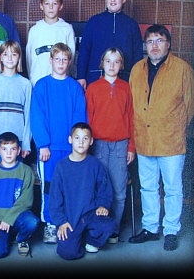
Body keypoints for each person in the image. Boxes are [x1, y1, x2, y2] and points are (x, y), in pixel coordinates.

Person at [128, 24, 194, 251]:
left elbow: (193, 102)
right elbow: (131, 103)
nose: (154, 45)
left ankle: (171, 230)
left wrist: (176, 125)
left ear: (168, 44)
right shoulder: (137, 69)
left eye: (159, 40)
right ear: (145, 46)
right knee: (147, 187)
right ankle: (150, 227)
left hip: (170, 140)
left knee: (172, 188)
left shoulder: (182, 69)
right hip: (144, 139)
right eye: (150, 41)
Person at [30, 42, 87, 244]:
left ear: (69, 62)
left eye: (65, 59)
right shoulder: (42, 86)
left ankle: (68, 223)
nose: (61, 63)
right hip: (50, 150)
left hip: (70, 149)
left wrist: (77, 145)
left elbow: (80, 118)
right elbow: (36, 117)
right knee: (49, 187)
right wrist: (43, 144)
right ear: (51, 60)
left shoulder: (74, 87)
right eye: (57, 59)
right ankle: (51, 224)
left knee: (69, 187)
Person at [85, 47, 135, 243]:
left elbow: (132, 118)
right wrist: (87, 146)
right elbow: (87, 118)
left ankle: (113, 228)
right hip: (98, 144)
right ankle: (98, 227)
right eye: (108, 61)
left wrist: (131, 147)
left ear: (121, 65)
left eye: (116, 61)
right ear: (102, 64)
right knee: (97, 187)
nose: (112, 65)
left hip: (120, 145)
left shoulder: (126, 87)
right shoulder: (93, 88)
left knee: (119, 189)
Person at [49, 122, 115, 260]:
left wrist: (103, 205)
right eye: (77, 138)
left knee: (109, 225)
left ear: (91, 141)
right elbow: (55, 198)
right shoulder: (61, 167)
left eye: (85, 138)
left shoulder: (95, 165)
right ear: (70, 139)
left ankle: (91, 240)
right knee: (68, 253)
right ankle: (78, 237)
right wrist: (61, 221)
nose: (81, 142)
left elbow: (104, 189)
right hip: (71, 218)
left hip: (90, 214)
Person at [0, 132, 39, 258]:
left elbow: (26, 201)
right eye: (4, 149)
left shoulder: (26, 171)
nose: (8, 153)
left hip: (17, 218)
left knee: (32, 221)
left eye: (13, 149)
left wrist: (9, 219)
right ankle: (5, 238)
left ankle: (21, 238)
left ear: (18, 150)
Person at [77, 0, 143, 89]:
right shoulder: (94, 21)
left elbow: (137, 55)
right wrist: (81, 76)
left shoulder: (131, 25)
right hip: (95, 77)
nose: (113, 0)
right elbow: (84, 51)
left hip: (124, 78)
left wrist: (137, 78)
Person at [0, 40, 32, 167]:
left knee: (15, 180)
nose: (10, 58)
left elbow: (29, 117)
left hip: (17, 140)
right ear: (0, 58)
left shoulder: (26, 84)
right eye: (5, 54)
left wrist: (26, 143)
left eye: (14, 54)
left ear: (19, 57)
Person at [26, 0, 76, 86]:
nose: (51, 7)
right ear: (41, 6)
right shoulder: (35, 30)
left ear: (61, 6)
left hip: (61, 81)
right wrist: (32, 78)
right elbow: (29, 59)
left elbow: (72, 57)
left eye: (55, 4)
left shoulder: (66, 29)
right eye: (47, 3)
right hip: (37, 80)